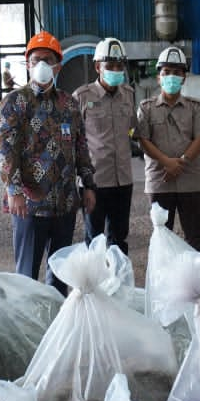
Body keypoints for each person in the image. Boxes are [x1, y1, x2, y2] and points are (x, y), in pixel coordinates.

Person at [0, 30, 96, 292]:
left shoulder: (69, 104)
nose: (41, 64)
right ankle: (26, 326)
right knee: (27, 275)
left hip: (64, 202)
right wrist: (14, 191)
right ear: (27, 64)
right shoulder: (14, 103)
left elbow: (81, 147)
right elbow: (7, 152)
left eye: (47, 59)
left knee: (61, 275)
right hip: (29, 206)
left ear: (58, 65)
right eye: (35, 59)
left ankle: (56, 324)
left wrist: (88, 185)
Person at [136, 45, 200, 251]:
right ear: (158, 77)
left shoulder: (195, 106)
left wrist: (181, 162)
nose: (171, 77)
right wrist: (167, 162)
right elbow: (143, 140)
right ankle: (163, 282)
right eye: (166, 72)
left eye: (177, 72)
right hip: (160, 181)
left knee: (194, 236)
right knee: (162, 236)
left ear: (184, 77)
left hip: (189, 181)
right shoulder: (146, 107)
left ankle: (196, 282)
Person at [73, 37, 136, 254]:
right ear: (97, 67)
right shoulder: (82, 97)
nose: (116, 71)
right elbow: (73, 142)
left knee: (120, 240)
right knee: (95, 240)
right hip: (94, 182)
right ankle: (95, 286)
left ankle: (119, 285)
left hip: (123, 181)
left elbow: (137, 131)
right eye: (110, 66)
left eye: (120, 66)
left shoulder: (128, 95)